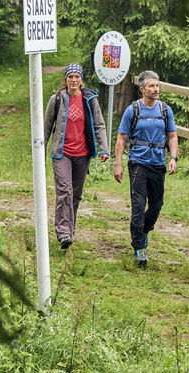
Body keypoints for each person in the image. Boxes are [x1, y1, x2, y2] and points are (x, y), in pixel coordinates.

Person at [114, 70, 179, 267]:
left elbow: (173, 136)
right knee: (138, 206)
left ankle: (144, 230)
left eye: (157, 85)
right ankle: (139, 248)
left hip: (158, 164)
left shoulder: (165, 110)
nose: (156, 89)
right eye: (151, 86)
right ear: (142, 89)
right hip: (137, 164)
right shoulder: (132, 110)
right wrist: (118, 165)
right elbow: (121, 139)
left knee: (157, 205)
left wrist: (173, 158)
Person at [44, 62, 109, 249]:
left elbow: (99, 125)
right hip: (62, 153)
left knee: (75, 195)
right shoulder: (56, 99)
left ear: (81, 80)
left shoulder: (90, 100)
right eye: (70, 77)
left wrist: (103, 148)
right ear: (65, 79)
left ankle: (69, 230)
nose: (73, 80)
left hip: (83, 154)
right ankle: (63, 233)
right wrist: (40, 150)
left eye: (77, 77)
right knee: (64, 192)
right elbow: (46, 127)